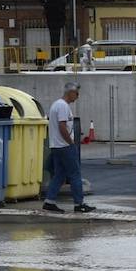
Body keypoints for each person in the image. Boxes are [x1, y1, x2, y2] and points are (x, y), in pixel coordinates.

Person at [44, 82, 94, 213]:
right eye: (76, 93)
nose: (77, 96)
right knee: (75, 175)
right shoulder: (62, 106)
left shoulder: (57, 105)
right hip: (64, 146)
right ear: (70, 92)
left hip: (57, 146)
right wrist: (71, 142)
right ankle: (79, 204)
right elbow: (62, 126)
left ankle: (49, 201)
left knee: (60, 175)